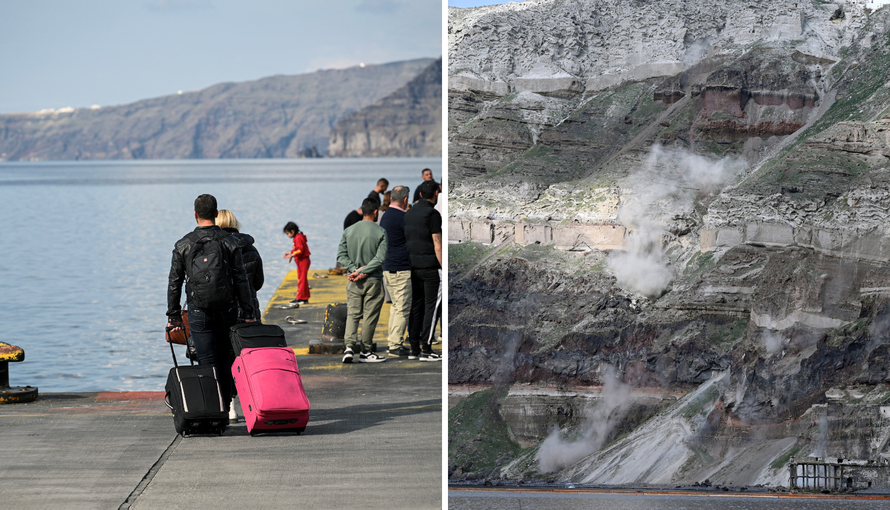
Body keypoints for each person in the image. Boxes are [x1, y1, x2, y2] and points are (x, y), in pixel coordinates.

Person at [166, 194, 256, 417]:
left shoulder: (183, 244)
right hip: (228, 308)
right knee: (227, 359)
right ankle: (228, 406)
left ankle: (212, 410)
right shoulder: (231, 242)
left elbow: (174, 282)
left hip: (198, 310)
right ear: (216, 214)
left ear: (195, 214)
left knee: (206, 361)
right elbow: (241, 279)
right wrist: (248, 311)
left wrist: (174, 317)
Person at [336, 198, 389, 363]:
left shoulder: (349, 231)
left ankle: (349, 347)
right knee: (369, 316)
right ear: (375, 212)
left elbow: (341, 256)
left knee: (353, 314)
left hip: (353, 281)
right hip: (373, 280)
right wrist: (364, 271)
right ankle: (366, 351)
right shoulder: (380, 232)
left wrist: (354, 270)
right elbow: (380, 258)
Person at [404, 180, 443, 361]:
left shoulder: (409, 213)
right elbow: (438, 244)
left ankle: (414, 349)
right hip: (430, 267)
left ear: (420, 194)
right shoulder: (433, 214)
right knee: (431, 307)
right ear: (436, 193)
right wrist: (443, 266)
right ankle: (426, 349)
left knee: (416, 306)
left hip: (412, 265)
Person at [379, 186, 412, 357]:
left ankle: (393, 340)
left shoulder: (385, 216)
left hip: (388, 267)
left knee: (395, 308)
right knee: (402, 308)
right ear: (405, 199)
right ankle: (395, 345)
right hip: (401, 268)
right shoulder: (403, 217)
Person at [217, 209, 264, 321]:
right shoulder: (251, 249)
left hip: (224, 311)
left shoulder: (215, 249)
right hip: (250, 312)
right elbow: (258, 283)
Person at [283, 221, 311, 305]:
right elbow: (297, 248)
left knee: (301, 280)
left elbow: (300, 250)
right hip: (301, 261)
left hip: (303, 261)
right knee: (302, 279)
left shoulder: (298, 237)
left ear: (292, 231)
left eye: (288, 233)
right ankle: (304, 297)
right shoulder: (297, 237)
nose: (288, 236)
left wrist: (292, 254)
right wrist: (290, 253)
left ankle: (300, 297)